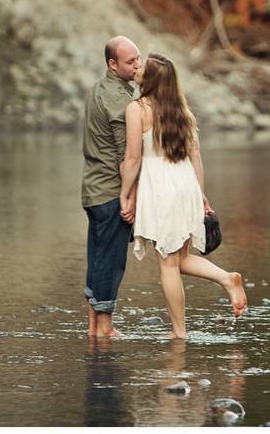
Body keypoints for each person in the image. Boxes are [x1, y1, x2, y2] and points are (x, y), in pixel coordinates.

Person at [119, 53, 247, 339]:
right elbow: (196, 158)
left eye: (142, 67)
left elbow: (132, 159)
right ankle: (227, 278)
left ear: (150, 79)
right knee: (180, 259)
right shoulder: (183, 113)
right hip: (186, 185)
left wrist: (125, 194)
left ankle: (179, 332)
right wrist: (201, 197)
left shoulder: (137, 109)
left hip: (161, 189)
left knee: (167, 264)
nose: (137, 68)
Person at [80, 35, 141, 337]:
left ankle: (93, 326)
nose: (137, 66)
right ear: (112, 64)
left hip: (92, 190)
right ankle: (105, 328)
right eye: (131, 62)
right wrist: (128, 197)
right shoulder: (121, 101)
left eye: (138, 59)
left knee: (97, 257)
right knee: (111, 259)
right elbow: (126, 155)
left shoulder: (97, 89)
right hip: (110, 192)